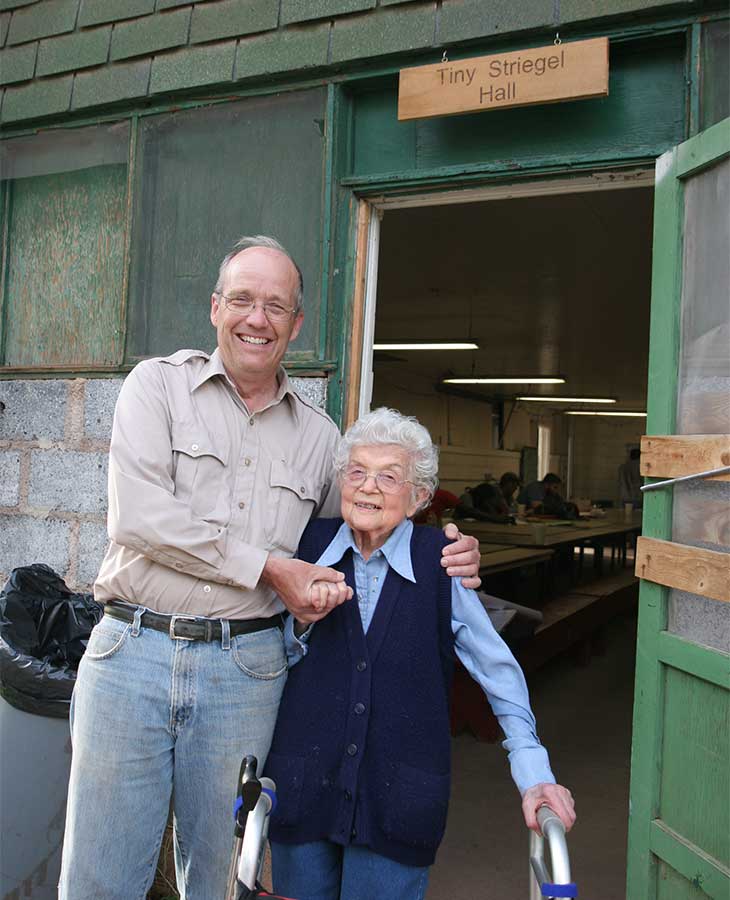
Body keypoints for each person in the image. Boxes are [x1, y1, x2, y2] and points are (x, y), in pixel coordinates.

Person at [58, 236, 481, 900]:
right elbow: (137, 518)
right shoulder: (157, 386)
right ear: (215, 307)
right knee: (100, 876)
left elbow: (362, 530)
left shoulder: (319, 439)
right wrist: (268, 568)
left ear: (296, 324)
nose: (258, 319)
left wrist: (445, 549)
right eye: (243, 300)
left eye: (276, 306)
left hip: (245, 674)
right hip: (131, 653)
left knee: (226, 874)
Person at [265, 408, 576, 900]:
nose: (368, 487)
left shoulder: (442, 563)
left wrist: (534, 772)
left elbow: (496, 669)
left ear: (419, 498)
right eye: (357, 472)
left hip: (399, 799)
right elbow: (265, 656)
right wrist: (299, 625)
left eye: (389, 477)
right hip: (303, 786)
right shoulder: (304, 547)